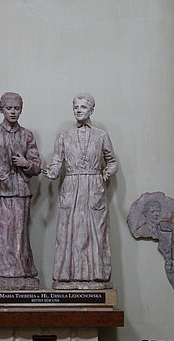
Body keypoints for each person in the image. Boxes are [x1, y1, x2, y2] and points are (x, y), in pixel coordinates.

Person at [43, 93, 118, 289]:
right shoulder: (64, 136)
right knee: (69, 232)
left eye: (83, 107)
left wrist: (107, 172)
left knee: (95, 233)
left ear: (91, 110)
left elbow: (112, 161)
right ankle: (67, 277)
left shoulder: (101, 136)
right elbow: (57, 162)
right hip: (72, 186)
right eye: (76, 107)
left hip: (94, 186)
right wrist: (51, 172)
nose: (78, 110)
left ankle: (96, 277)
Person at [0, 92, 41, 289]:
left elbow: (37, 166)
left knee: (17, 235)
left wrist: (25, 163)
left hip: (19, 191)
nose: (13, 112)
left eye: (16, 108)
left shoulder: (27, 135)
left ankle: (20, 272)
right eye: (9, 108)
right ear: (1, 109)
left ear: (21, 110)